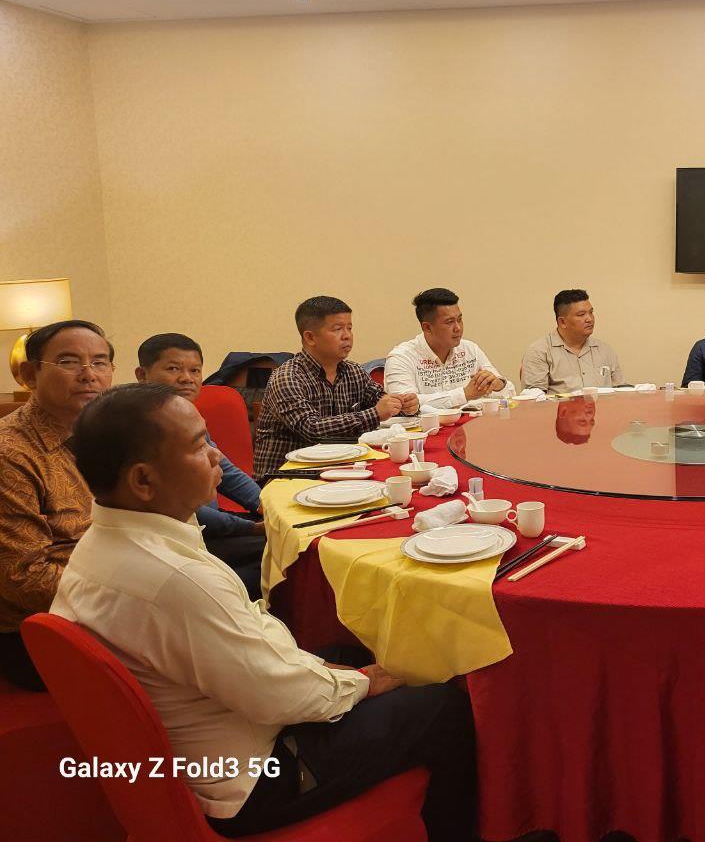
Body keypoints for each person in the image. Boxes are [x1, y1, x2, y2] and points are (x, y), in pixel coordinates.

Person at [52, 383, 477, 838]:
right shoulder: (174, 579)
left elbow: (257, 668)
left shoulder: (101, 543)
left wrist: (333, 673)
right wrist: (361, 683)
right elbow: (276, 694)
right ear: (143, 481)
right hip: (250, 778)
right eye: (198, 446)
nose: (216, 455)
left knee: (348, 652)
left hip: (203, 738)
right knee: (444, 706)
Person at [0, 319, 113, 691]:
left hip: (113, 587)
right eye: (68, 362)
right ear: (30, 374)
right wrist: (128, 593)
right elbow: (23, 579)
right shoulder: (10, 453)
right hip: (41, 630)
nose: (89, 374)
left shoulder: (105, 433)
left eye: (100, 362)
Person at [135, 333, 267, 599]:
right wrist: (250, 527)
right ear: (142, 375)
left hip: (211, 527)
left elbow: (226, 471)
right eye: (174, 369)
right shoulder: (141, 425)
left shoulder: (183, 413)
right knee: (284, 552)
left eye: (195, 370)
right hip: (183, 539)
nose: (187, 378)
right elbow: (180, 506)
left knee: (289, 538)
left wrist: (265, 504)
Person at [254, 297, 416, 477]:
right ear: (310, 337)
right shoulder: (288, 377)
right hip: (288, 476)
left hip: (340, 467)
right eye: (337, 329)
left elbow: (381, 400)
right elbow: (312, 429)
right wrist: (375, 413)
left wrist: (403, 405)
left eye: (350, 328)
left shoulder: (353, 371)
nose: (347, 336)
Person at [385, 288, 514, 411]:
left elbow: (510, 392)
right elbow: (405, 406)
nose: (458, 328)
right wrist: (464, 394)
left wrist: (498, 385)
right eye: (449, 322)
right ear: (427, 328)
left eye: (460, 319)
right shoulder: (402, 358)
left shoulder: (470, 350)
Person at [521, 289, 626, 395]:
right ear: (562, 322)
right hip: (560, 406)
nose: (589, 319)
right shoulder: (539, 352)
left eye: (591, 312)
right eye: (581, 314)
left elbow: (621, 391)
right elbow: (534, 399)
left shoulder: (605, 350)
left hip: (602, 406)